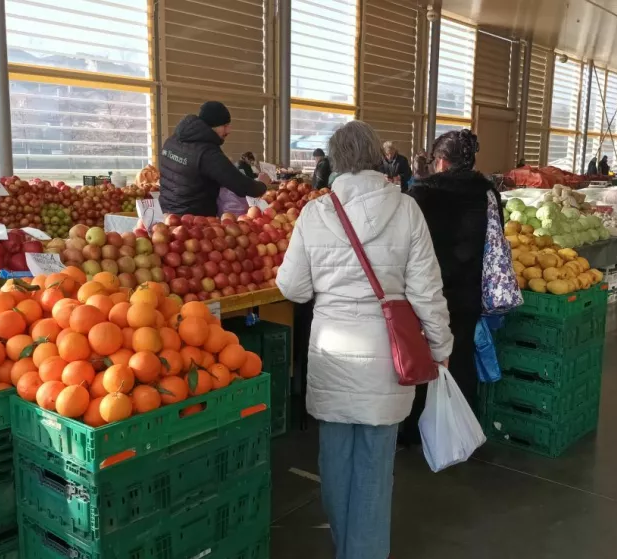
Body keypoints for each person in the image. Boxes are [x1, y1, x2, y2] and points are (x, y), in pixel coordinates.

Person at [275, 120, 453, 559]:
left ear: (334, 161)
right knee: (376, 465)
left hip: (332, 355)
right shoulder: (408, 210)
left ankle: (344, 546)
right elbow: (427, 291)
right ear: (378, 157)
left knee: (334, 461)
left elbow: (292, 288)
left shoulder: (316, 214)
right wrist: (441, 347)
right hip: (388, 358)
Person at [403, 129, 496, 444]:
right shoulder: (487, 193)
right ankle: (461, 428)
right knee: (462, 356)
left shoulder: (423, 193)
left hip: (427, 290)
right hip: (468, 291)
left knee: (421, 356)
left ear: (440, 161)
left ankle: (416, 429)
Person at [159, 101, 271, 216]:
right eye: (225, 125)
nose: (229, 131)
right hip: (193, 222)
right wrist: (262, 185)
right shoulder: (207, 152)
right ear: (212, 126)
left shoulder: (171, 141)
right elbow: (241, 185)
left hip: (166, 216)